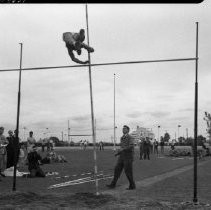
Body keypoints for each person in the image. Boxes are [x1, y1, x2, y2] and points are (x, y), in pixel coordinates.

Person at [106, 125, 136, 190]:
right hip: (121, 157)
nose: (123, 130)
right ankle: (113, 184)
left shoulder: (130, 137)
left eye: (125, 129)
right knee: (117, 170)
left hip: (128, 157)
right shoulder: (122, 137)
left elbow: (131, 146)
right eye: (123, 129)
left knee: (128, 172)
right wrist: (118, 153)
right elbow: (122, 148)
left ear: (128, 130)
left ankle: (132, 185)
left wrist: (123, 149)